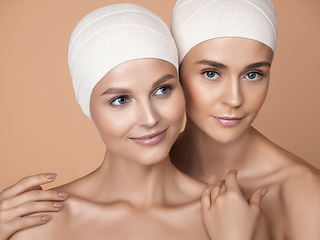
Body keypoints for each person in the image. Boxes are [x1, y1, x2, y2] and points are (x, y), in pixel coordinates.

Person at [4, 3, 269, 240]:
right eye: (120, 100)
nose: (150, 118)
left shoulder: (236, 217)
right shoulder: (37, 223)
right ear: (88, 107)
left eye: (162, 90)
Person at [169, 0, 320, 239]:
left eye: (253, 74)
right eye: (211, 73)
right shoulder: (145, 172)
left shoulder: (307, 195)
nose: (234, 99)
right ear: (176, 71)